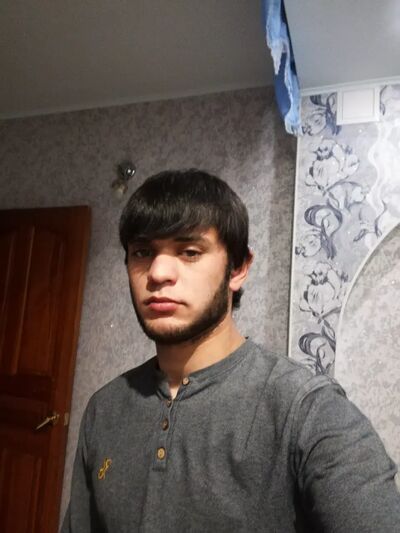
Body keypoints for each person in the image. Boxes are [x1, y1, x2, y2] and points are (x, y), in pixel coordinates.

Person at [62, 169, 400, 532]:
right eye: (142, 252)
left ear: (237, 268)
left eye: (189, 252)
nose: (157, 272)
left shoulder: (308, 411)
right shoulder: (104, 408)